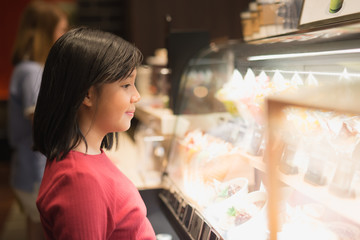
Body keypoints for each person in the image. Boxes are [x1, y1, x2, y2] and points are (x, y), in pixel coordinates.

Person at [33, 27, 157, 239]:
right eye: (126, 85)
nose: (136, 96)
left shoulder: (86, 160)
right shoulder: (79, 182)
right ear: (88, 95)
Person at [8, 1, 68, 240]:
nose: (64, 36)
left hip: (27, 168)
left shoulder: (26, 68)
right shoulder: (33, 72)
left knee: (35, 227)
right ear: (46, 32)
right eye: (61, 30)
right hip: (35, 172)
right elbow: (42, 123)